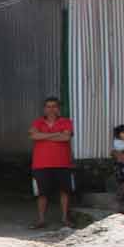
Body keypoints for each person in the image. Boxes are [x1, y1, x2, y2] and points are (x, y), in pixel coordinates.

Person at [28, 97, 75, 229]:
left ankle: (65, 218)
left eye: (54, 106)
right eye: (48, 106)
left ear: (58, 108)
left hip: (62, 163)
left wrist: (43, 135)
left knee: (65, 192)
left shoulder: (66, 121)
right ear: (44, 109)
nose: (51, 109)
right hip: (41, 164)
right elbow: (33, 136)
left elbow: (66, 137)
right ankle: (41, 220)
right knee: (42, 193)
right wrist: (56, 134)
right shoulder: (38, 122)